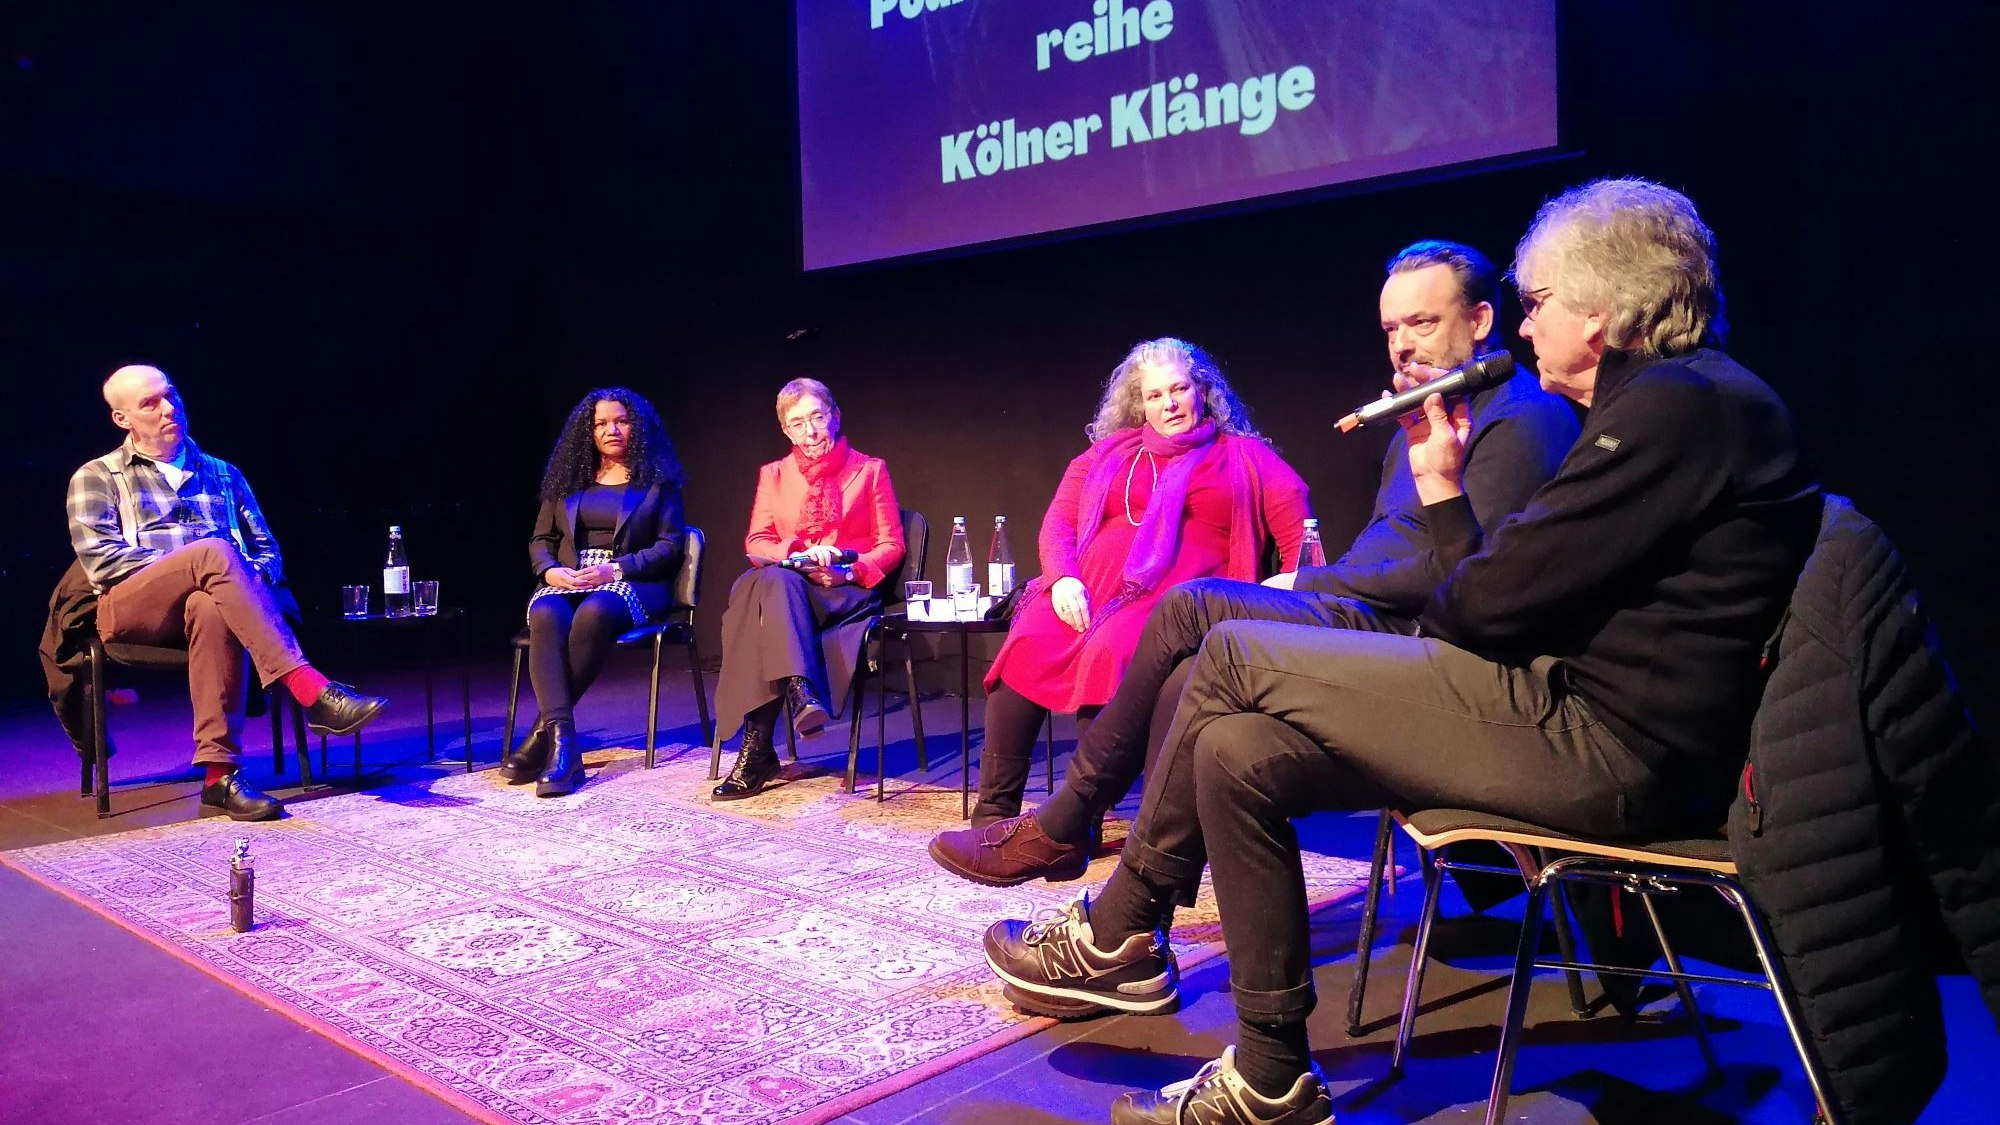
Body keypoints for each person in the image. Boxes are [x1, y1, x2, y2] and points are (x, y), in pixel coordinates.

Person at [980, 179, 1822, 1125]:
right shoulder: (1675, 403)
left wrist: (1445, 495)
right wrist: (1445, 494)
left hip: (1605, 748)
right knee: (1235, 749)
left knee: (1222, 650)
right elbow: (1497, 599)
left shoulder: (1674, 408)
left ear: (1605, 304)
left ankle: (1118, 926)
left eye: (1537, 304)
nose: (1528, 329)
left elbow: (1483, 608)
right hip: (1561, 708)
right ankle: (1270, 1075)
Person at [929, 243, 1580, 886]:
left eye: (1422, 323)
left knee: (1191, 607)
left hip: (1408, 640)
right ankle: (1120, 878)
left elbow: (1463, 573)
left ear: (1482, 321)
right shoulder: (1431, 418)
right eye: (1390, 329)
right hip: (1359, 611)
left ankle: (1069, 828)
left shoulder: (1522, 419)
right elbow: (1391, 548)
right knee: (1175, 659)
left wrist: (1308, 579)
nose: (1402, 345)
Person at [963, 337, 1313, 830]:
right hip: (1086, 588)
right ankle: (993, 813)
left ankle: (1080, 820)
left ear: (1202, 391)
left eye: (1179, 389)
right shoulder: (1110, 453)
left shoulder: (1244, 457)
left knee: (1110, 651)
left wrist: (1288, 588)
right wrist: (1062, 579)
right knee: (1029, 638)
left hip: (1173, 603)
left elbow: (1302, 530)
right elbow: (1058, 522)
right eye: (1154, 395)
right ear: (1139, 403)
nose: (1168, 403)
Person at [65, 365, 391, 822]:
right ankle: (309, 688)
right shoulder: (97, 476)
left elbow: (266, 551)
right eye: (150, 403)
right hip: (132, 607)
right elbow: (101, 561)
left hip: (213, 607)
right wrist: (196, 564)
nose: (168, 408)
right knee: (213, 554)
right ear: (123, 419)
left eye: (171, 395)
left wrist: (237, 580)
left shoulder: (222, 473)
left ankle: (219, 777)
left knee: (210, 603)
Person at [709, 378, 904, 800]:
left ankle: (756, 749)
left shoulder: (870, 470)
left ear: (835, 416)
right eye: (797, 423)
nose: (810, 431)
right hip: (792, 587)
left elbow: (892, 545)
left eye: (817, 417)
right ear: (785, 430)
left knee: (758, 597)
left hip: (842, 591)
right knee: (774, 581)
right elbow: (757, 541)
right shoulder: (773, 475)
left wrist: (849, 571)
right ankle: (799, 687)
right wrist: (797, 552)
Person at [502, 388, 686, 797]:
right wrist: (550, 572)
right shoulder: (566, 481)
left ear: (635, 427)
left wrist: (615, 568)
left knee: (596, 613)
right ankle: (564, 742)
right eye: (600, 424)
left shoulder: (658, 481)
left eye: (620, 421)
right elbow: (540, 539)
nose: (611, 430)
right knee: (546, 614)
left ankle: (542, 739)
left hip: (632, 579)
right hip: (571, 577)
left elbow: (670, 547)